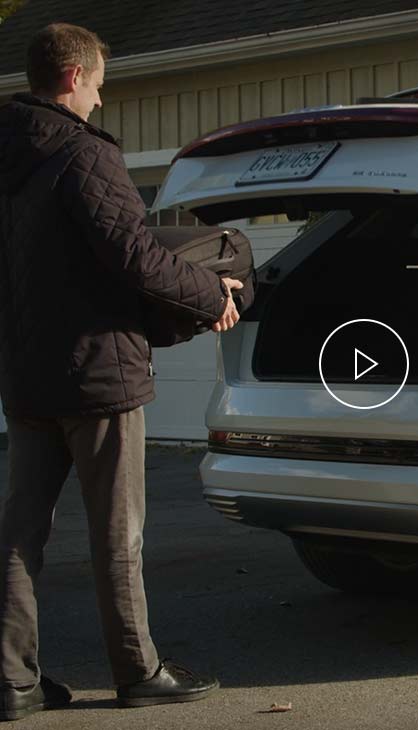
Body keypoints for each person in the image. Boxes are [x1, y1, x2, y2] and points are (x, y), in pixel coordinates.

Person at [0, 23, 242, 720]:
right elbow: (133, 254)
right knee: (117, 531)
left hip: (27, 373)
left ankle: (11, 681)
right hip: (98, 373)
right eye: (101, 83)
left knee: (20, 532)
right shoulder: (83, 154)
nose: (102, 100)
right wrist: (210, 296)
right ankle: (139, 671)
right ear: (74, 76)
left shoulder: (9, 159)